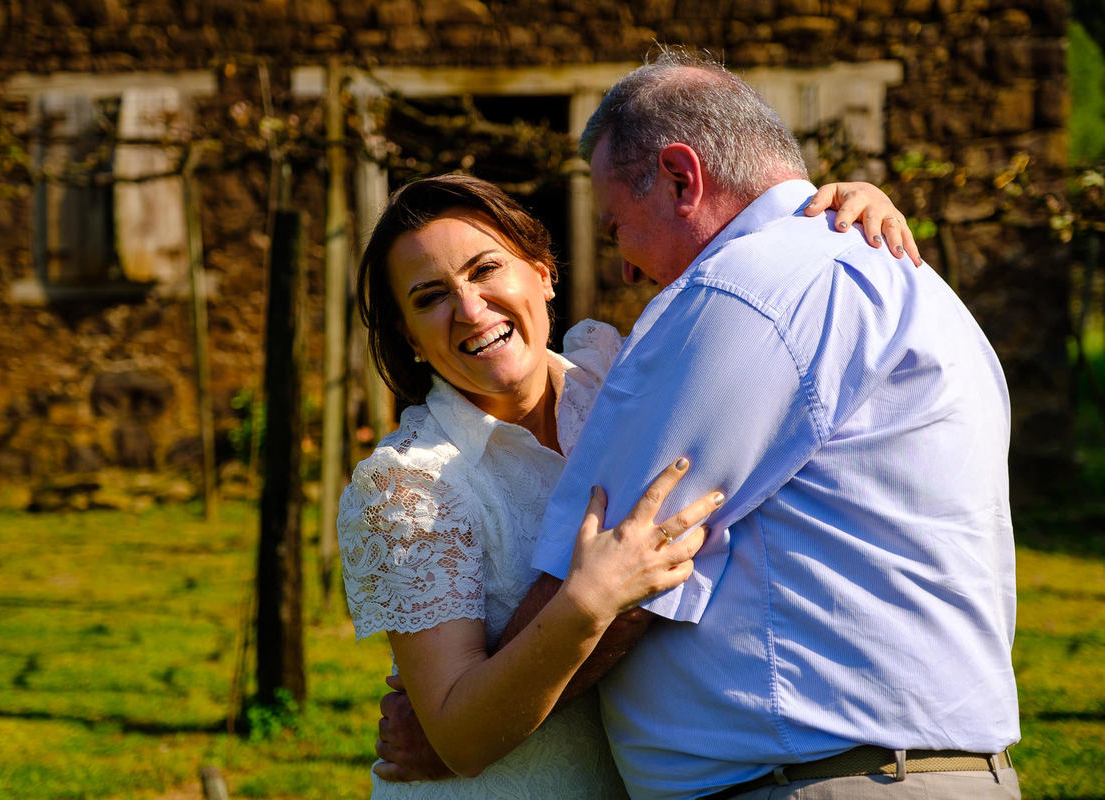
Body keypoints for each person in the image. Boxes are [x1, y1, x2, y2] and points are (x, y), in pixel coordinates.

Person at [375, 50, 1020, 800]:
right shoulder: (892, 272)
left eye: (617, 226)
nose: (623, 268)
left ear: (681, 178)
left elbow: (622, 586)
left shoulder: (740, 297)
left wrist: (461, 727)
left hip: (825, 779)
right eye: (429, 297)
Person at [341, 172, 923, 798]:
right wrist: (589, 602)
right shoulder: (406, 485)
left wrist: (841, 208)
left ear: (542, 271)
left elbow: (745, 286)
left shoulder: (621, 382)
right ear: (410, 336)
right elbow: (458, 738)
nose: (470, 309)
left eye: (485, 269)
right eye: (430, 297)